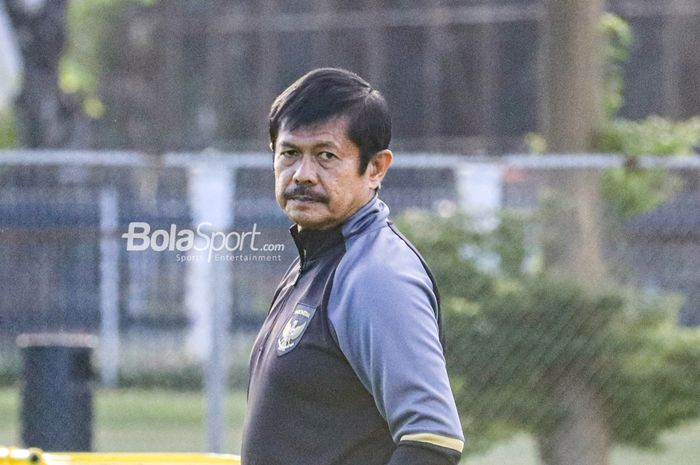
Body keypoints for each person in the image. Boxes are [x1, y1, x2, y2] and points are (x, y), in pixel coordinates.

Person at [241, 68, 464, 465]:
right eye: (290, 153)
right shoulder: (314, 262)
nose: (303, 174)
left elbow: (432, 440)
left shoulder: (377, 273)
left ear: (376, 168)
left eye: (326, 155)